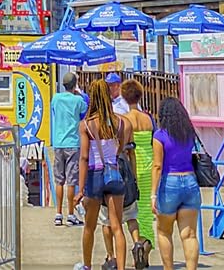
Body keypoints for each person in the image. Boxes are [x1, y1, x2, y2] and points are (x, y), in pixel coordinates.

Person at [78, 77, 130, 270]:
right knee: (117, 227)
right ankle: (122, 267)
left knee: (89, 227)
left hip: (94, 175)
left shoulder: (86, 125)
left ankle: (87, 265)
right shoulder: (120, 123)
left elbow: (84, 158)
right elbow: (120, 149)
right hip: (114, 174)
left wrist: (81, 188)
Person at [151, 96, 202, 270]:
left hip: (169, 183)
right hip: (190, 181)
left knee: (164, 231)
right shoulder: (189, 133)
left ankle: (168, 268)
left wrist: (153, 194)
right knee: (189, 235)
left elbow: (157, 166)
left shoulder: (159, 135)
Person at [119, 80, 155, 267]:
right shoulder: (148, 118)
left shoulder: (125, 119)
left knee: (132, 212)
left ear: (124, 97)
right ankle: (146, 244)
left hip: (133, 169)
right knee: (147, 212)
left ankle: (139, 243)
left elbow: (126, 148)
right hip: (150, 168)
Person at [49, 72, 86, 227]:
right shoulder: (78, 100)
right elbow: (84, 111)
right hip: (73, 142)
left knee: (59, 181)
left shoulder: (55, 98)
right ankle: (70, 214)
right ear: (75, 84)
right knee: (71, 182)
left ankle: (58, 214)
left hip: (58, 142)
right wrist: (80, 92)